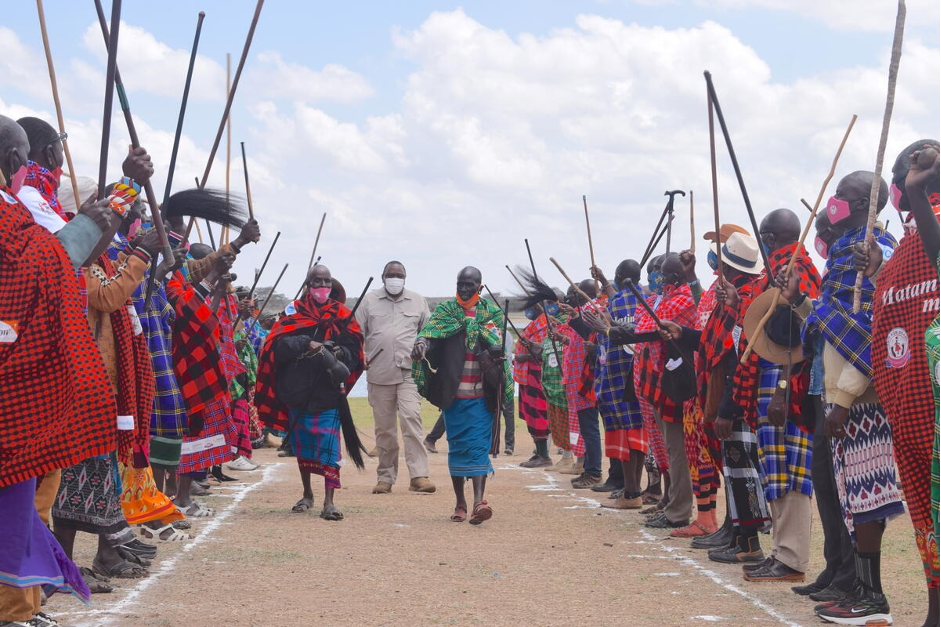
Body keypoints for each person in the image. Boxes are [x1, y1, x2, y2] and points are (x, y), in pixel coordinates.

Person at [0, 115, 115, 627]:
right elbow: (46, 264)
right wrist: (94, 223)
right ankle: (12, 609)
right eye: (24, 160)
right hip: (14, 385)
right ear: (11, 163)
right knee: (13, 502)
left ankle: (22, 605)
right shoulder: (10, 220)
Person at [779, 170, 903, 624]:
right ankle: (851, 582)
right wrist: (798, 302)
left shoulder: (877, 254)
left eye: (846, 196)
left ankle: (870, 596)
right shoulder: (844, 258)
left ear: (871, 205)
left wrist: (845, 398)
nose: (835, 202)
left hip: (863, 396)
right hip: (837, 392)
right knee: (849, 493)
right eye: (837, 194)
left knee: (867, 495)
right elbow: (832, 326)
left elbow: (872, 331)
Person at [857, 143, 941, 627]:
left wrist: (917, 188)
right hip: (907, 407)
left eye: (900, 177)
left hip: (933, 401)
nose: (893, 188)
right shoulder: (904, 242)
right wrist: (876, 275)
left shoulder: (930, 227)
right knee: (927, 513)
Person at [732, 209, 822, 583]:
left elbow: (802, 333)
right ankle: (783, 551)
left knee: (789, 468)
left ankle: (791, 557)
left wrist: (784, 389)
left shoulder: (794, 270)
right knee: (776, 466)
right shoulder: (786, 268)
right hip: (775, 377)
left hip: (786, 379)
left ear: (768, 239)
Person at [256, 265, 366, 521]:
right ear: (308, 285)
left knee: (329, 447)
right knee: (303, 447)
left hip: (328, 391)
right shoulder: (293, 312)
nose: (323, 286)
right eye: (317, 281)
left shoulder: (343, 315)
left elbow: (355, 352)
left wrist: (338, 354)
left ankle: (329, 502)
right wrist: (307, 343)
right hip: (298, 390)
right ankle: (307, 493)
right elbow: (276, 347)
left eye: (327, 281)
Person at [411, 267, 511, 525]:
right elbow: (431, 334)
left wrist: (497, 350)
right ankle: (460, 502)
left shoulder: (492, 314)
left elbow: (501, 346)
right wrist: (422, 344)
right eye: (460, 284)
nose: (464, 289)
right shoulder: (446, 312)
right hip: (454, 395)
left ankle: (479, 502)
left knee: (478, 449)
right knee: (457, 449)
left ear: (480, 286)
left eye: (469, 284)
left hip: (482, 395)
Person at [354, 260, 435, 494]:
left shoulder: (418, 300)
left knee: (412, 420)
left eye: (399, 275)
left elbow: (428, 332)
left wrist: (423, 344)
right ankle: (385, 477)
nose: (395, 279)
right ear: (383, 277)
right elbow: (356, 333)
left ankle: (419, 476)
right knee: (385, 429)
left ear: (405, 278)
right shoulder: (369, 301)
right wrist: (361, 354)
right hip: (379, 374)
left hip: (409, 372)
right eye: (391, 275)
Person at [587, 260, 648, 507]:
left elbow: (615, 300)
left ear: (620, 277)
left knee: (624, 433)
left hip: (616, 377)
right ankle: (633, 490)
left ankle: (631, 493)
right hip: (641, 375)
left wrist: (604, 283)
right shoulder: (648, 299)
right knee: (638, 433)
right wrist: (603, 279)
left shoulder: (615, 304)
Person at [549, 280, 603, 489]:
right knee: (585, 426)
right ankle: (588, 469)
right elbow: (578, 343)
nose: (568, 299)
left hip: (585, 379)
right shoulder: (580, 314)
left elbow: (590, 341)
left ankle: (594, 471)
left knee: (589, 428)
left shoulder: (590, 312)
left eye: (572, 295)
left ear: (582, 295)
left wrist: (574, 317)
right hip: (576, 380)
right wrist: (562, 337)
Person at [514, 274, 563, 468]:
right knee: (531, 415)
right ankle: (538, 452)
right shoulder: (537, 323)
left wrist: (524, 356)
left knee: (539, 415)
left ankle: (544, 455)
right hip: (528, 376)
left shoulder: (549, 324)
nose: (529, 310)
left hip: (538, 374)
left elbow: (545, 351)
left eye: (533, 306)